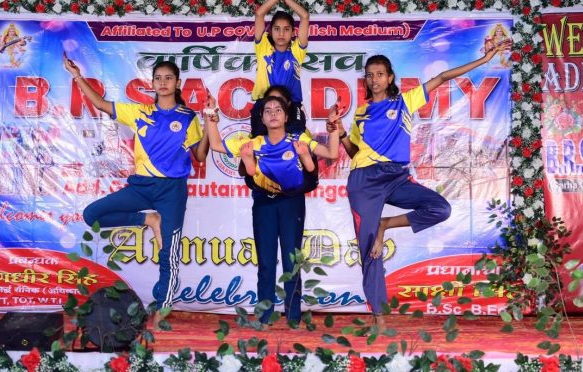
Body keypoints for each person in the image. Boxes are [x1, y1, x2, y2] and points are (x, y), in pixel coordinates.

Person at [331, 47, 504, 329]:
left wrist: (484, 60)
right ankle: (379, 316)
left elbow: (443, 76)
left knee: (440, 208)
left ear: (390, 77)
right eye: (370, 75)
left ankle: (385, 224)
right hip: (364, 181)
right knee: (369, 249)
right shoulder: (361, 113)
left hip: (396, 177)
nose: (374, 79)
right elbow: (354, 153)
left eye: (380, 74)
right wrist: (339, 132)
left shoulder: (404, 101)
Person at [63, 57, 209, 327]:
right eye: (158, 78)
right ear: (152, 83)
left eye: (168, 78)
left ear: (177, 83)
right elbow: (101, 104)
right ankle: (148, 219)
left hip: (172, 191)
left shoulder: (188, 117)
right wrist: (77, 76)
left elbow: (200, 155)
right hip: (141, 186)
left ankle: (163, 308)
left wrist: (210, 123)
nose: (163, 83)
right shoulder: (140, 111)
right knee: (92, 214)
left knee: (168, 252)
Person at [204, 91, 340, 327]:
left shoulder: (298, 140)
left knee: (291, 261)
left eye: (278, 110)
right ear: (262, 118)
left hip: (291, 204)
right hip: (264, 204)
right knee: (266, 262)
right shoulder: (254, 143)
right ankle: (264, 317)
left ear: (286, 116)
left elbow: (332, 153)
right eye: (268, 111)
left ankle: (293, 318)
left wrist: (334, 127)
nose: (273, 114)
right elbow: (215, 144)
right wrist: (210, 113)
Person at [250, 0, 309, 136]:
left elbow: (304, 16)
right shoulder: (263, 48)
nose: (281, 34)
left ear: (293, 32)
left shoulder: (297, 51)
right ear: (270, 31)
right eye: (277, 29)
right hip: (264, 103)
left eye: (286, 29)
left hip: (291, 104)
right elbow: (259, 14)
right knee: (258, 139)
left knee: (297, 137)